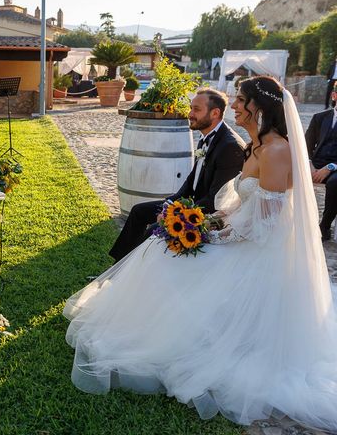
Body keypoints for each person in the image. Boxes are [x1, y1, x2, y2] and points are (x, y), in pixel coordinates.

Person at [65, 76, 337, 431]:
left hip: (260, 252)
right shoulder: (256, 146)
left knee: (175, 259)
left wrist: (210, 237)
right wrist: (204, 220)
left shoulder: (277, 151)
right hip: (242, 233)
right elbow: (241, 204)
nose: (235, 106)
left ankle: (169, 338)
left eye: (240, 100)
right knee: (163, 247)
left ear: (259, 107)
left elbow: (265, 225)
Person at [109, 88, 245, 261]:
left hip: (208, 215)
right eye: (191, 108)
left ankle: (134, 270)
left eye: (196, 109)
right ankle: (118, 265)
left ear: (215, 113)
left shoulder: (229, 147)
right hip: (191, 204)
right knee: (138, 212)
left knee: (154, 231)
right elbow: (191, 182)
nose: (190, 114)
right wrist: (170, 203)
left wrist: (173, 214)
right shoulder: (206, 137)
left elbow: (216, 200)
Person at [306, 85, 337, 240]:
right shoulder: (319, 117)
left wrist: (330, 168)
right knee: (288, 172)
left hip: (335, 168)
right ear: (334, 96)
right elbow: (305, 145)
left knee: (335, 183)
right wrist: (309, 164)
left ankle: (324, 226)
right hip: (314, 162)